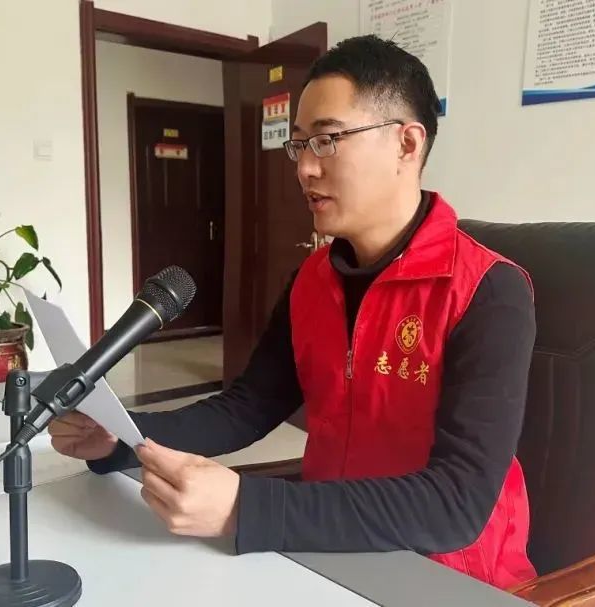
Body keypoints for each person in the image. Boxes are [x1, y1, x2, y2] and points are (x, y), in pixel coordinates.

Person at [50, 34, 538, 590]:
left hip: (451, 576)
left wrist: (249, 508)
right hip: (327, 548)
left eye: (327, 141)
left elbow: (456, 506)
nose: (305, 167)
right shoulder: (314, 279)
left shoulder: (488, 292)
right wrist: (121, 438)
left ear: (407, 143)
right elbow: (248, 407)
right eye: (299, 144)